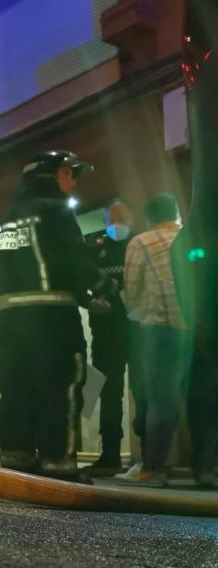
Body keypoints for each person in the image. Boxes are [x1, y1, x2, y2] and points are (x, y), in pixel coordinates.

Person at [0, 151, 114, 483]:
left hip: (9, 324)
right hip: (54, 322)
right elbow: (74, 262)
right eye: (69, 174)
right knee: (59, 387)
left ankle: (16, 459)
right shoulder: (56, 212)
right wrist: (103, 287)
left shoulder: (0, 223)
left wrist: (5, 299)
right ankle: (57, 463)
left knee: (17, 389)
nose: (73, 182)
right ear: (52, 176)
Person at [119, 194, 192, 487]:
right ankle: (206, 467)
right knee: (203, 398)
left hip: (161, 327)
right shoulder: (191, 238)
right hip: (201, 330)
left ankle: (153, 469)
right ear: (177, 214)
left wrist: (141, 314)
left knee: (161, 399)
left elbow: (132, 289)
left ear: (149, 218)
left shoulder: (141, 242)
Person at [82, 200, 133, 475]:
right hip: (104, 329)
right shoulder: (95, 248)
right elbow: (83, 278)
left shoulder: (136, 244)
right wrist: (92, 301)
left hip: (135, 328)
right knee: (109, 392)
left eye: (121, 217)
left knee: (143, 391)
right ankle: (110, 454)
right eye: (111, 218)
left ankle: (149, 457)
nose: (116, 222)